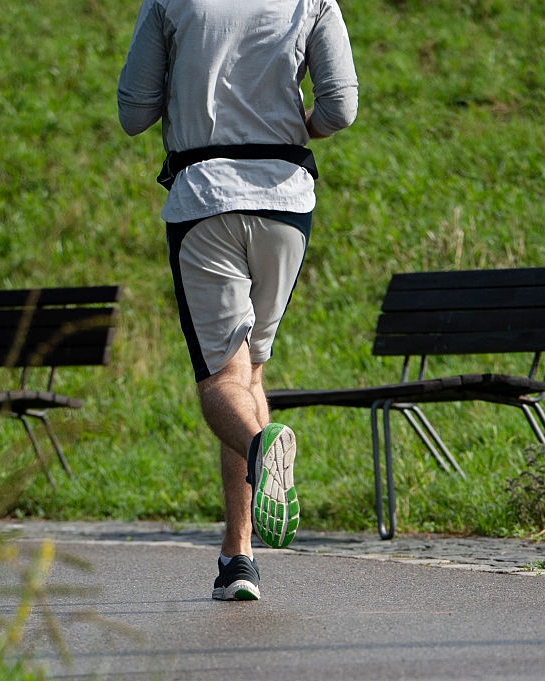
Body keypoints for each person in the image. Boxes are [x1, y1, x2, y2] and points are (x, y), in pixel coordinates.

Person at [117, 0, 358, 601]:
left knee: (221, 381)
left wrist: (188, 77)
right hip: (285, 202)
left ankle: (260, 449)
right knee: (250, 370)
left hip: (206, 198)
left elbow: (133, 112)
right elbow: (341, 107)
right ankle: (238, 557)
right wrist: (299, 123)